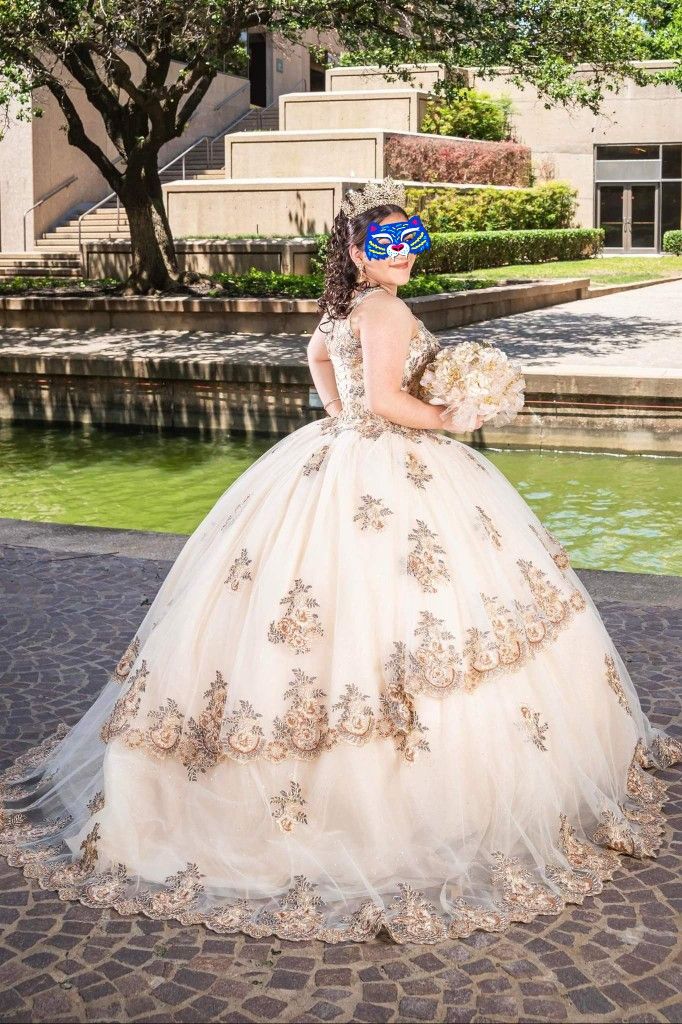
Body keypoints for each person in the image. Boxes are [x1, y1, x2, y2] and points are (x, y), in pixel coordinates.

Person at [1, 177, 679, 946]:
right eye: (388, 245)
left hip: (334, 455)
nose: (405, 258)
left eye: (412, 242)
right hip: (391, 460)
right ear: (359, 252)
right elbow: (388, 399)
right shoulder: (382, 307)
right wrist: (450, 417)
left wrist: (342, 409)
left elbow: (320, 362)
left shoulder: (345, 308)